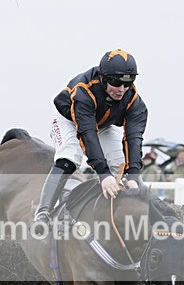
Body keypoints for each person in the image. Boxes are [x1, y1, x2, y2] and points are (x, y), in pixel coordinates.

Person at [34, 49, 148, 226]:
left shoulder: (134, 102)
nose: (122, 89)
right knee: (70, 158)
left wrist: (133, 175)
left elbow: (133, 139)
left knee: (120, 165)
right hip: (69, 120)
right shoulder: (84, 91)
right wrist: (103, 174)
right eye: (116, 82)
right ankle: (43, 213)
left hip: (101, 124)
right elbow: (87, 135)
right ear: (103, 78)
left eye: (128, 83)